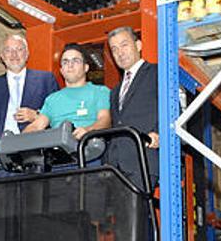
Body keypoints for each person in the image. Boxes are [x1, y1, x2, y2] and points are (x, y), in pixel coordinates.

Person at [0, 34, 59, 141]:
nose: (14, 54)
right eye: (8, 50)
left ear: (27, 54)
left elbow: (58, 116)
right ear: (2, 56)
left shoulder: (46, 80)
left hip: (36, 147)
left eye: (19, 49)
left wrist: (36, 115)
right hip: (1, 150)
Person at [105, 26, 158, 189]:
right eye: (114, 49)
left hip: (143, 158)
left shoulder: (157, 72)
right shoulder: (115, 91)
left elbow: (174, 108)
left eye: (124, 45)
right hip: (115, 166)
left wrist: (160, 134)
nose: (120, 52)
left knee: (137, 213)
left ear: (139, 45)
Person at [26, 44, 111, 140]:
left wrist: (88, 131)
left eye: (76, 61)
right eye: (65, 62)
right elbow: (36, 126)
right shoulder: (52, 99)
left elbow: (105, 120)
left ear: (86, 67)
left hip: (89, 146)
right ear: (61, 70)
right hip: (57, 149)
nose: (70, 65)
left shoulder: (100, 92)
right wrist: (17, 140)